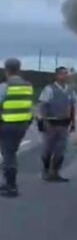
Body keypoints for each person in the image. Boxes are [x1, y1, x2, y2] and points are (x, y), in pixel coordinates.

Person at [0, 58, 34, 198]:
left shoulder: (5, 86)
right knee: (10, 152)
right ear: (19, 69)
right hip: (22, 125)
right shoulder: (28, 85)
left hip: (6, 124)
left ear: (6, 69)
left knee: (8, 154)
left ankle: (11, 186)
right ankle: (8, 183)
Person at [37, 66, 76, 182]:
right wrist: (41, 120)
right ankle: (46, 170)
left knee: (60, 149)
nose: (64, 76)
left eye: (66, 74)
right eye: (62, 74)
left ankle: (55, 172)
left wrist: (73, 122)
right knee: (47, 148)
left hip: (64, 123)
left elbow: (72, 106)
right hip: (51, 123)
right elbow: (42, 106)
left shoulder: (70, 90)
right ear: (57, 75)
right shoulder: (49, 89)